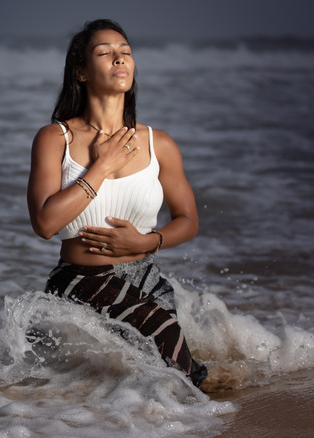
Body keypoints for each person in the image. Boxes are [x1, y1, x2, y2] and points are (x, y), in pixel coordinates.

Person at [27, 19, 207, 387]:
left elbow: (188, 219)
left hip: (146, 278)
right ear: (81, 72)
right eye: (104, 53)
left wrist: (147, 242)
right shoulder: (55, 138)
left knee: (163, 376)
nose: (119, 59)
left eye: (125, 52)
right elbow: (45, 224)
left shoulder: (160, 144)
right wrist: (102, 165)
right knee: (174, 357)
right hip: (81, 280)